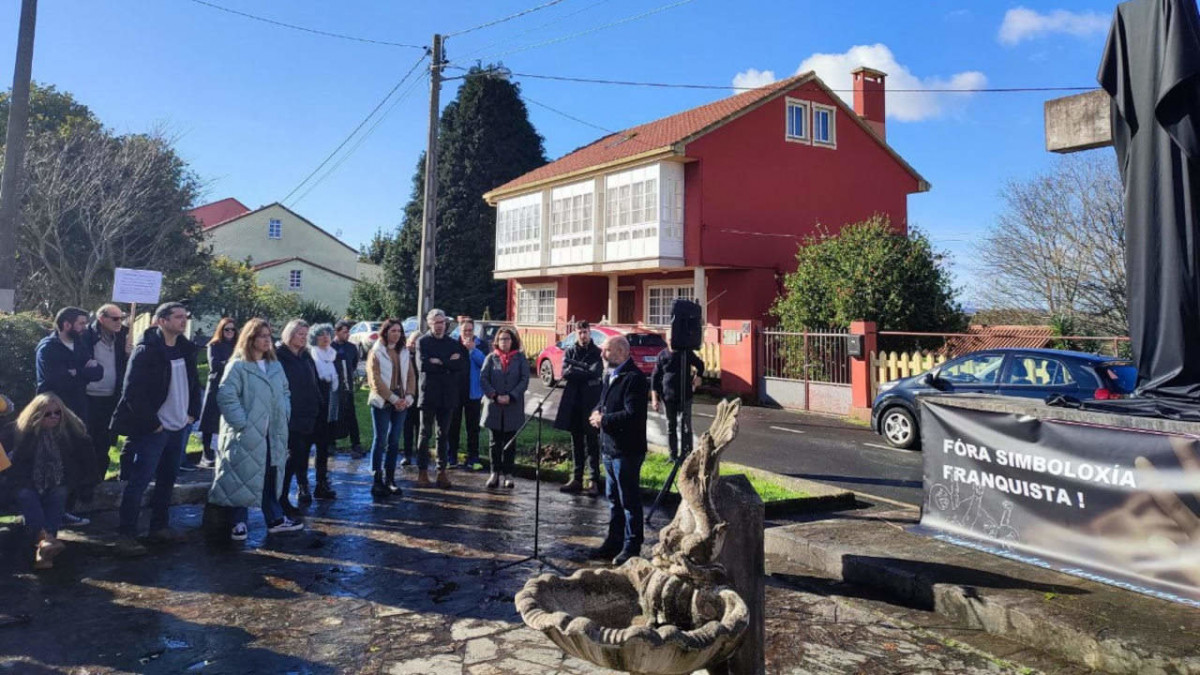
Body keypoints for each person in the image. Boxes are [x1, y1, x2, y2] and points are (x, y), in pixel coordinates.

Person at [111, 302, 201, 556]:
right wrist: (154, 423)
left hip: (179, 426)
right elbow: (132, 392)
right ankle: (126, 533)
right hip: (155, 429)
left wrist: (192, 413)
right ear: (162, 321)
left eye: (185, 316)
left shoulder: (186, 349)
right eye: (178, 317)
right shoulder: (146, 350)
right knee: (139, 481)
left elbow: (194, 383)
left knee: (167, 479)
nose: (183, 321)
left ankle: (159, 527)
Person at [208, 318, 303, 540]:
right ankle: (238, 522)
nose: (267, 340)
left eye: (269, 336)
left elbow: (285, 392)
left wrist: (284, 413)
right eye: (262, 336)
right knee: (241, 475)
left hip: (273, 432)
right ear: (250, 339)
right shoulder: (238, 365)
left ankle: (275, 518)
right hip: (246, 433)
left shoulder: (275, 365)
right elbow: (226, 396)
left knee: (270, 472)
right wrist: (242, 424)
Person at [0, 394, 95, 569]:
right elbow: (11, 469)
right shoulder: (18, 433)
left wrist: (82, 486)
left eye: (57, 413)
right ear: (36, 415)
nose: (54, 417)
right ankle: (46, 543)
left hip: (57, 482)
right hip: (23, 482)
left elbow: (85, 464)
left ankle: (44, 546)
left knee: (58, 494)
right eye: (48, 414)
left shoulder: (72, 434)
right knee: (27, 495)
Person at [589, 335, 649, 566]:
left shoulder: (634, 379)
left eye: (607, 350)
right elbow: (603, 403)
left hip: (627, 450)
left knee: (629, 501)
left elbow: (632, 415)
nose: (602, 354)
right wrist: (596, 413)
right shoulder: (610, 375)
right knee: (613, 499)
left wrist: (603, 420)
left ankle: (632, 546)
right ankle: (613, 542)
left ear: (622, 352)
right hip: (609, 448)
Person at [366, 318, 416, 499]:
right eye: (393, 330)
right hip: (382, 401)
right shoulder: (376, 351)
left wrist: (409, 396)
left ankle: (390, 479)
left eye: (399, 331)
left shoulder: (403, 351)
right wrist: (393, 399)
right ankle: (376, 479)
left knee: (394, 440)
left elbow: (411, 375)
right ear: (386, 332)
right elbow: (375, 380)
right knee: (380, 440)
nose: (396, 334)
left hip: (402, 402)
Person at [416, 309, 466, 489]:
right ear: (429, 323)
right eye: (436, 322)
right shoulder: (423, 341)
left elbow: (459, 364)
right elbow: (423, 365)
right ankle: (422, 471)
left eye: (442, 322)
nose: (440, 326)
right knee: (425, 434)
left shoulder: (452, 343)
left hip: (448, 395)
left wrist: (440, 361)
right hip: (429, 394)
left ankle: (441, 471)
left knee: (443, 435)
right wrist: (447, 363)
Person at [554, 322, 604, 495]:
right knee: (576, 442)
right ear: (576, 333)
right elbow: (565, 373)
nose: (583, 335)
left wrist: (577, 371)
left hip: (591, 402)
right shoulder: (570, 351)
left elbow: (595, 372)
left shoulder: (597, 352)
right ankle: (576, 478)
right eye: (580, 332)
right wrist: (581, 372)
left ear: (590, 333)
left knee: (592, 443)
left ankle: (593, 480)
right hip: (574, 402)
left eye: (585, 332)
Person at [276, 320, 320, 514]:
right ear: (290, 334)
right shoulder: (279, 356)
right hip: (289, 415)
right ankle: (281, 497)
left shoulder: (305, 356)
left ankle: (296, 489)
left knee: (301, 457)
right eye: (300, 334)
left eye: (305, 334)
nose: (303, 338)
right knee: (291, 457)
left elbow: (314, 381)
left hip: (308, 414)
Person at [82, 304, 129, 482]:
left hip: (111, 396)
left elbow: (124, 366)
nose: (120, 322)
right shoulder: (87, 335)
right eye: (115, 318)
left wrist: (127, 354)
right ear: (102, 319)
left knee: (105, 442)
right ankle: (85, 482)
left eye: (122, 318)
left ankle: (98, 479)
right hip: (90, 396)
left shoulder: (123, 336)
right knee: (88, 441)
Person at [480, 327, 529, 490]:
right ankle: (494, 473)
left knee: (510, 442)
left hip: (512, 406)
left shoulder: (520, 358)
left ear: (512, 341)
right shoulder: (491, 358)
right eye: (501, 339)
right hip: (494, 406)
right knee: (495, 442)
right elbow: (484, 379)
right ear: (497, 341)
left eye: (507, 339)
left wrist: (511, 395)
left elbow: (524, 380)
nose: (504, 342)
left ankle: (508, 474)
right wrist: (494, 395)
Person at [650, 337, 705, 462]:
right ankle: (672, 455)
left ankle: (687, 454)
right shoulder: (662, 355)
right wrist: (654, 399)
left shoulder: (685, 353)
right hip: (667, 396)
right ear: (667, 341)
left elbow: (700, 365)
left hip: (685, 395)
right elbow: (655, 377)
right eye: (669, 339)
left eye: (673, 339)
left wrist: (698, 377)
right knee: (671, 425)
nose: (672, 342)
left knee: (686, 426)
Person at [196, 318, 237, 470]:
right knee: (209, 422)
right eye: (227, 329)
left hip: (231, 387)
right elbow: (215, 365)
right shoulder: (214, 345)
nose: (230, 332)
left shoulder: (236, 346)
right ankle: (207, 455)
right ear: (221, 330)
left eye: (233, 329)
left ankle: (225, 452)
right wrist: (230, 363)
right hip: (215, 386)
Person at [308, 323, 342, 500]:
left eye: (328, 334)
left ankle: (322, 483)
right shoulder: (311, 356)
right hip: (313, 408)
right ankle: (303, 485)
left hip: (329, 408)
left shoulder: (332, 355)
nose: (325, 337)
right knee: (305, 449)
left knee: (323, 449)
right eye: (321, 335)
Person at [450, 318, 486, 471]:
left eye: (470, 330)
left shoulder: (481, 345)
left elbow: (486, 364)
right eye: (465, 330)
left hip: (473, 393)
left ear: (474, 331)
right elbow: (449, 364)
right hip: (455, 392)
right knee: (453, 426)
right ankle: (451, 456)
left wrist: (473, 350)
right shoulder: (453, 344)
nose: (468, 333)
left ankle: (473, 457)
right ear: (460, 330)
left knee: (473, 428)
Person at [332, 320, 365, 458]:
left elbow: (354, 364)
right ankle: (330, 443)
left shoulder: (351, 348)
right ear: (337, 332)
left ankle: (356, 444)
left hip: (347, 388)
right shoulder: (330, 347)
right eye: (344, 332)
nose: (347, 334)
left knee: (351, 416)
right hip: (333, 389)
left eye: (348, 332)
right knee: (333, 415)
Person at [400, 331, 421, 467]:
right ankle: (407, 455)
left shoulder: (423, 356)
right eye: (411, 342)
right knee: (407, 427)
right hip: (406, 396)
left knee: (421, 428)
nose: (413, 345)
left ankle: (420, 454)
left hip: (421, 397)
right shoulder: (403, 355)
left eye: (416, 343)